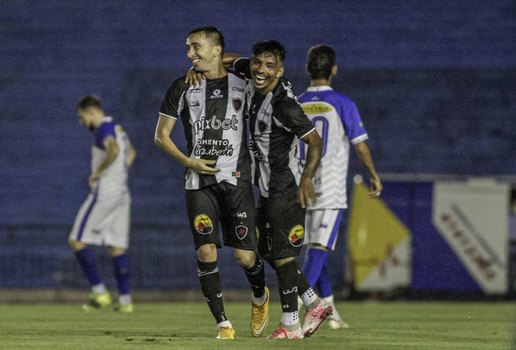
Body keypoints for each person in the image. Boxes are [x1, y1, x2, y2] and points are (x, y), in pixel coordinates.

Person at [154, 26, 269, 340]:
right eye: (188, 48)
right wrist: (189, 161)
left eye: (196, 47)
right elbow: (160, 137)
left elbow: (259, 69)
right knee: (206, 252)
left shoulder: (242, 84)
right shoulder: (182, 87)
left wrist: (232, 62)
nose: (190, 54)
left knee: (245, 256)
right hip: (198, 182)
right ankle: (223, 324)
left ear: (217, 50)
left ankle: (260, 294)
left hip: (237, 180)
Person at [231, 40, 332, 339]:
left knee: (284, 256)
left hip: (285, 188)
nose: (261, 70)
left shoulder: (283, 105)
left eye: (269, 66)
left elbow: (315, 141)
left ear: (280, 71)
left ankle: (291, 325)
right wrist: (198, 67)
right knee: (267, 250)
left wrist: (306, 179)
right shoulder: (252, 74)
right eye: (258, 63)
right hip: (266, 188)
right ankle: (314, 303)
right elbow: (230, 60)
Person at [298, 45, 383, 329]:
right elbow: (360, 146)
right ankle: (294, 307)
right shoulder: (342, 102)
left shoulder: (295, 102)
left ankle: (331, 312)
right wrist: (373, 174)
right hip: (330, 189)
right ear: (334, 69)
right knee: (319, 250)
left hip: (302, 186)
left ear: (309, 69)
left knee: (313, 249)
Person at [69, 95, 136, 313]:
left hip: (106, 191)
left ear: (90, 112)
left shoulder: (102, 128)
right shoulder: (118, 128)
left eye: (82, 118)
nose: (82, 122)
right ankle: (125, 301)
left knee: (76, 240)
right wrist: (119, 172)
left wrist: (98, 173)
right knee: (116, 246)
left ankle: (100, 293)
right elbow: (131, 152)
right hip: (122, 192)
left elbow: (113, 149)